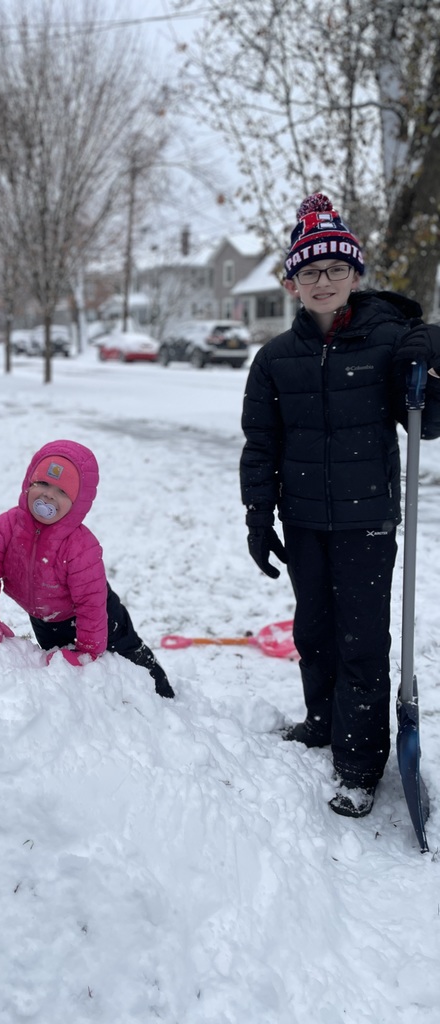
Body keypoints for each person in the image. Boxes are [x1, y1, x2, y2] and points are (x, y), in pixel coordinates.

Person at [240, 193, 440, 818]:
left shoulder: (389, 342)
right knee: (315, 631)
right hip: (303, 520)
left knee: (360, 641)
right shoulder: (274, 360)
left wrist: (430, 361)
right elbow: (261, 443)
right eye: (309, 271)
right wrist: (257, 514)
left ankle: (358, 765)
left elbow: (427, 425)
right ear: (292, 283)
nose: (322, 281)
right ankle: (321, 722)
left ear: (355, 275)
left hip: (366, 521)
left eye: (334, 269)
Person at [0, 439, 174, 699]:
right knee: (64, 670)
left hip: (98, 612)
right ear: (28, 484)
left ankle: (163, 696)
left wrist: (86, 651)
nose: (49, 495)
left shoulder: (80, 547)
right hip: (44, 617)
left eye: (62, 492)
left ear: (77, 502)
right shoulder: (7, 528)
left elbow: (90, 604)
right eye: (42, 483)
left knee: (128, 655)